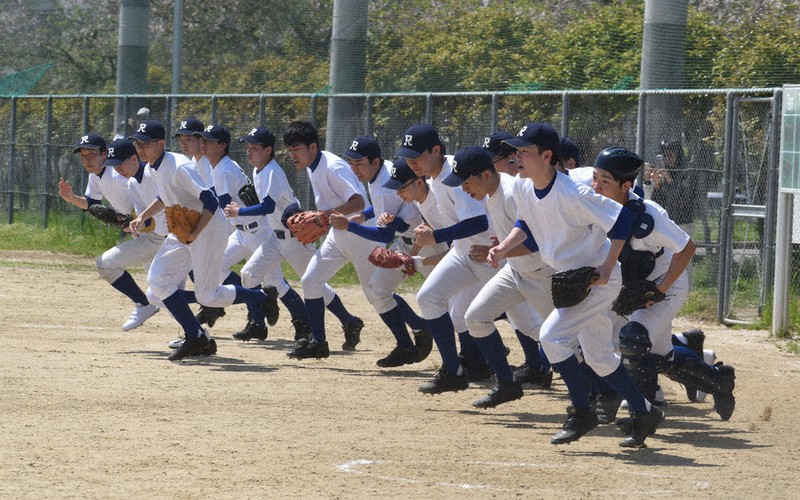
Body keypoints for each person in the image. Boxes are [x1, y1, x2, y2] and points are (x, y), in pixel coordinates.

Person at [489, 122, 664, 448]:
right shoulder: (523, 187)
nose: (517, 157)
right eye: (517, 151)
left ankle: (581, 411)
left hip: (596, 283)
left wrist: (609, 265)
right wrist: (503, 247)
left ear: (547, 155)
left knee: (551, 337)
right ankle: (644, 410)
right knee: (599, 358)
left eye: (525, 151)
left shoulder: (573, 194)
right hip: (569, 282)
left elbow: (623, 218)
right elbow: (524, 223)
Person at [590, 146, 735, 421]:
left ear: (626, 186)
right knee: (659, 355)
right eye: (595, 177)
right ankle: (720, 382)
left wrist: (660, 290)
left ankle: (643, 413)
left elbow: (687, 248)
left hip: (667, 284)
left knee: (633, 340)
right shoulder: (594, 206)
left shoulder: (648, 217)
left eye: (605, 181)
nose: (596, 186)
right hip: (632, 287)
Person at [127, 120, 272, 361]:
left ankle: (263, 297)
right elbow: (164, 197)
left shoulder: (179, 167)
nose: (140, 148)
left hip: (207, 229)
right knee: (156, 283)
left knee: (208, 296)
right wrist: (142, 216)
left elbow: (211, 201)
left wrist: (195, 234)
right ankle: (197, 337)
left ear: (161, 144)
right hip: (184, 231)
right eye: (137, 143)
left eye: (146, 143)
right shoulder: (153, 167)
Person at [442, 145, 555, 409]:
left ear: (486, 174)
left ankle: (601, 389)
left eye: (467, 181)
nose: (463, 189)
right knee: (476, 318)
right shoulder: (492, 194)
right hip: (515, 271)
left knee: (560, 337)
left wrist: (502, 249)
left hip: (542, 275)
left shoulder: (512, 192)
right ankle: (507, 384)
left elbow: (540, 241)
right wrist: (503, 243)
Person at [395, 124, 503, 394]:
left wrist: (437, 235)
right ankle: (453, 371)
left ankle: (550, 366)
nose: (411, 163)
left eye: (416, 157)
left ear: (436, 150)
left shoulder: (455, 172)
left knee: (527, 321)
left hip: (489, 254)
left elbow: (477, 222)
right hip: (464, 254)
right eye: (408, 158)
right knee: (430, 297)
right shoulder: (434, 178)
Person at [329, 137, 432, 367]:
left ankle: (478, 355)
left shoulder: (384, 182)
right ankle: (407, 344)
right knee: (377, 288)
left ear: (376, 161)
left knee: (455, 305)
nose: (355, 169)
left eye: (360, 163)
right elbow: (383, 208)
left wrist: (350, 226)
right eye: (351, 163)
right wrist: (365, 215)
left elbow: (385, 235)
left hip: (430, 244)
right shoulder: (382, 172)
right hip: (409, 241)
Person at [224, 125, 322, 341]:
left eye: (255, 147)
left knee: (316, 285)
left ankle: (348, 320)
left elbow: (268, 207)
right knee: (249, 274)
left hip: (296, 237)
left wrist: (239, 210)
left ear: (268, 150)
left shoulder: (272, 171)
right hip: (275, 237)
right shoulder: (257, 171)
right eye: (248, 147)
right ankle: (258, 324)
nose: (249, 151)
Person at [281, 120, 367, 359]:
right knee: (310, 280)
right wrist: (324, 218)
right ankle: (319, 343)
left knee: (377, 292)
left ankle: (417, 327)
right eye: (289, 150)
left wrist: (324, 216)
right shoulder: (313, 165)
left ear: (313, 147)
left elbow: (359, 202)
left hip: (361, 233)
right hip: (338, 233)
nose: (292, 154)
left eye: (296, 149)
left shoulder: (332, 166)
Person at [58, 133, 160, 331]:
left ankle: (146, 305)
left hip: (155, 231)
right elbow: (92, 204)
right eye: (83, 155)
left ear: (105, 154)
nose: (87, 159)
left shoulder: (119, 173)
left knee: (107, 265)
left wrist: (132, 219)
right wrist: (71, 198)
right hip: (143, 232)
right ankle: (197, 326)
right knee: (161, 290)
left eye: (92, 154)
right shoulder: (96, 175)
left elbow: (152, 194)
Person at [198, 124, 280, 342]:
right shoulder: (220, 166)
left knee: (278, 283)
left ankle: (303, 325)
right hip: (243, 231)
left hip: (258, 230)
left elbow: (223, 207)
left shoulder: (223, 169)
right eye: (202, 139)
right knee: (220, 266)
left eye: (209, 141)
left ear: (223, 145)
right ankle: (257, 311)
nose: (203, 144)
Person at [649, 140, 699, 237]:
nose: (667, 159)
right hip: (666, 222)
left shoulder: (688, 172)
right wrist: (657, 185)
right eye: (665, 156)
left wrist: (669, 179)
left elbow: (685, 197)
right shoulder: (665, 172)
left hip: (683, 223)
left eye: (670, 155)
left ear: (678, 156)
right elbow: (657, 202)